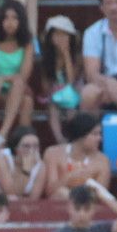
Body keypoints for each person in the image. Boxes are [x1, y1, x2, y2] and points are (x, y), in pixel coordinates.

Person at [0, 0, 33, 152]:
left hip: (13, 90)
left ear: (21, 21)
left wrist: (3, 78)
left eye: (15, 18)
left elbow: (24, 75)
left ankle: (7, 140)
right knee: (21, 91)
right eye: (6, 18)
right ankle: (4, 140)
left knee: (27, 100)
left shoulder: (27, 42)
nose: (10, 22)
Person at [42, 108, 108, 200]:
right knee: (60, 192)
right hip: (58, 206)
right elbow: (49, 191)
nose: (100, 138)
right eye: (95, 134)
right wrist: (69, 177)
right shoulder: (52, 153)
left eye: (100, 134)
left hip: (88, 207)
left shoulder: (103, 160)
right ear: (81, 135)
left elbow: (101, 195)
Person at [39, 14, 80, 146]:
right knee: (52, 107)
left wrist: (66, 54)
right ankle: (60, 140)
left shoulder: (77, 57)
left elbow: (71, 81)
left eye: (64, 35)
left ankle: (73, 139)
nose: (60, 38)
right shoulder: (46, 59)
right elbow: (46, 86)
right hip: (55, 95)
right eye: (57, 35)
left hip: (74, 92)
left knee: (71, 108)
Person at [0, 122, 45, 199]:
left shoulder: (40, 166)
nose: (31, 151)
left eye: (35, 146)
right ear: (15, 148)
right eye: (26, 146)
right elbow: (11, 192)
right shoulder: (1, 158)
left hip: (26, 206)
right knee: (12, 198)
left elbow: (34, 198)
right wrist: (26, 172)